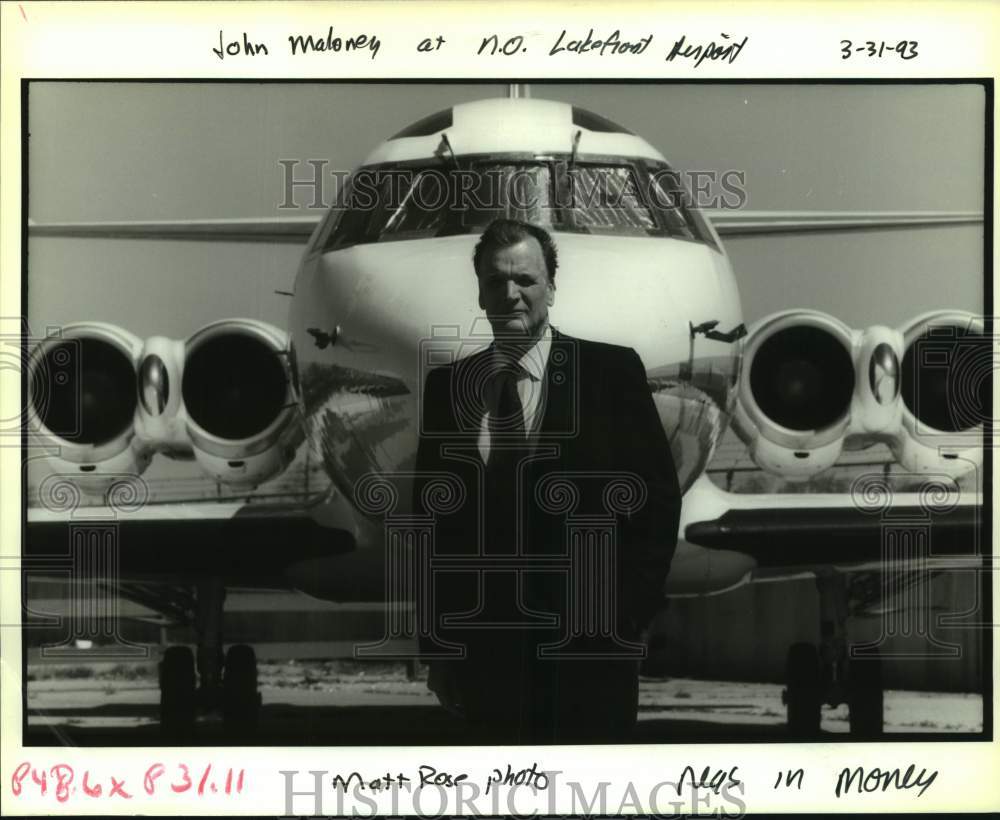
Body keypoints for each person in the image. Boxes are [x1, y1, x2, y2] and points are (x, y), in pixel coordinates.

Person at [413, 218, 680, 743]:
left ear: (552, 289)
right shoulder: (447, 390)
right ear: (481, 291)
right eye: (495, 281)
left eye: (526, 280)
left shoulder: (611, 375)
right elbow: (433, 529)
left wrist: (626, 623)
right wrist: (440, 652)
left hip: (591, 661)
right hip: (487, 665)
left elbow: (657, 506)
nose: (510, 295)